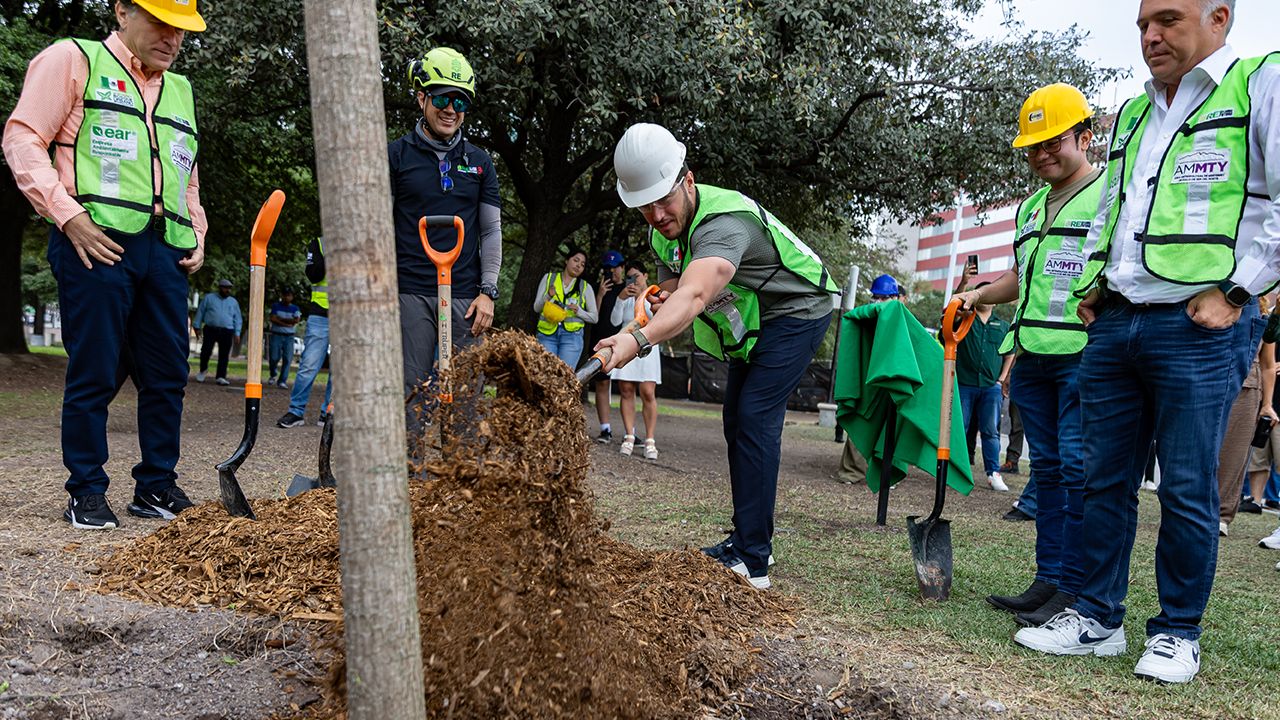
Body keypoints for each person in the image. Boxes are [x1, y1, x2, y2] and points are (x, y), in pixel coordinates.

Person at [1013, 0, 1280, 684]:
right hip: (1118, 321)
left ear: (1219, 18)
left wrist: (1240, 292)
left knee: (1187, 487)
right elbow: (1118, 204)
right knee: (1102, 479)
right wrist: (1097, 285)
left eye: (1166, 19)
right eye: (1141, 25)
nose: (1150, 36)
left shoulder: (1260, 84)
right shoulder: (1133, 112)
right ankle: (1098, 618)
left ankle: (1176, 633)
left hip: (1197, 326)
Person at [600, 123, 839, 590]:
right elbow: (674, 286)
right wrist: (647, 307)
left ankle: (755, 561)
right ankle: (745, 540)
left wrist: (636, 342)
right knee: (736, 418)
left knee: (754, 417)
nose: (656, 213)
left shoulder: (724, 224)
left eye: (663, 199)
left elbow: (692, 296)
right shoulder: (663, 233)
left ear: (687, 182)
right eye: (643, 205)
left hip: (799, 309)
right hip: (758, 318)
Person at [3, 0, 207, 528]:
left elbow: (185, 172)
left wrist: (197, 230)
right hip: (94, 240)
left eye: (181, 29)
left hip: (165, 248)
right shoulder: (74, 60)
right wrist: (67, 216)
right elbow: (23, 138)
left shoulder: (181, 89)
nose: (171, 37)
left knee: (168, 374)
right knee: (93, 371)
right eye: (161, 22)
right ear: (121, 11)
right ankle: (87, 489)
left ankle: (156, 487)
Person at [953, 83, 1105, 628]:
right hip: (1033, 356)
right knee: (1047, 472)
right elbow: (1023, 277)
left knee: (1075, 471)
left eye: (1053, 142)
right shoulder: (1033, 205)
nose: (1041, 155)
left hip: (1084, 356)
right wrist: (976, 294)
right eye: (1032, 147)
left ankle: (1074, 589)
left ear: (1085, 137)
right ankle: (1049, 580)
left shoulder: (1110, 195)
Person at [393, 47, 500, 422]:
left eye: (459, 100)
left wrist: (487, 292)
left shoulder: (481, 162)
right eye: (441, 98)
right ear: (421, 97)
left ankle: (461, 478)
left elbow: (490, 230)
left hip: (466, 299)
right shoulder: (396, 157)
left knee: (466, 398)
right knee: (414, 396)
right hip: (410, 293)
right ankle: (415, 480)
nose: (451, 108)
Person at [1216, 302, 1275, 536]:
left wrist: (1267, 404)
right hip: (1210, 375)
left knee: (1234, 452)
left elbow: (1268, 365)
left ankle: (1221, 515)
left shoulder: (1262, 315)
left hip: (1248, 384)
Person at [836, 274, 901, 483]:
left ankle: (885, 474)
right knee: (860, 421)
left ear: (895, 298)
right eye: (876, 297)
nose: (880, 302)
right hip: (867, 381)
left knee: (889, 429)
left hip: (890, 382)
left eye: (885, 298)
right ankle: (852, 472)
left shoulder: (902, 319)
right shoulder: (864, 316)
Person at [952, 280, 1011, 492]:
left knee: (990, 431)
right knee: (960, 428)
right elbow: (953, 306)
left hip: (990, 387)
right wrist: (964, 282)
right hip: (965, 384)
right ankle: (954, 471)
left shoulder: (1003, 326)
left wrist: (1001, 379)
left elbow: (1010, 353)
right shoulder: (964, 319)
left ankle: (993, 473)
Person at [277, 238, 334, 428]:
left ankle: (328, 413)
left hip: (349, 314)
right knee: (309, 366)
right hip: (321, 314)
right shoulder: (319, 243)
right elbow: (314, 275)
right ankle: (296, 411)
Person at [610, 261, 663, 459]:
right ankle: (629, 435)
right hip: (626, 344)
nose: (633, 281)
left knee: (648, 392)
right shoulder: (624, 297)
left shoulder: (653, 295)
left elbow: (657, 319)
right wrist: (621, 298)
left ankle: (650, 440)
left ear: (645, 276)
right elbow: (615, 321)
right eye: (629, 277)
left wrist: (643, 296)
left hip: (648, 344)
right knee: (626, 390)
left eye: (637, 276)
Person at [533, 247, 599, 367]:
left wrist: (579, 311)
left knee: (565, 377)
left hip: (572, 337)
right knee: (546, 374)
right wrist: (547, 295)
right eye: (576, 260)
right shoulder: (548, 278)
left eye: (582, 264)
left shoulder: (585, 287)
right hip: (547, 334)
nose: (578, 265)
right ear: (566, 260)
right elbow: (536, 308)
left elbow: (594, 318)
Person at [591, 250, 627, 443]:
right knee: (602, 384)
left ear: (622, 267)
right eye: (607, 269)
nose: (612, 272)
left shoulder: (629, 288)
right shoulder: (598, 288)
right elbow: (593, 318)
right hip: (600, 341)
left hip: (623, 342)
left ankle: (630, 432)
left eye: (615, 267)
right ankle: (605, 429)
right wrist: (600, 294)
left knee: (626, 386)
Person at [193, 279, 243, 386]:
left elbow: (237, 318)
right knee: (205, 351)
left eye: (229, 288)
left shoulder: (233, 302)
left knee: (224, 354)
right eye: (225, 288)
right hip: (211, 329)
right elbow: (200, 312)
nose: (227, 290)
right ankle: (203, 369)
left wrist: (237, 332)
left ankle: (221, 376)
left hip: (227, 330)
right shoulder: (209, 298)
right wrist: (197, 326)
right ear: (220, 287)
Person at [267, 288, 301, 388]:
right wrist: (287, 323)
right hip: (276, 334)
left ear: (292, 297)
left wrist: (280, 320)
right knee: (273, 357)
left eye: (289, 295)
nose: (287, 297)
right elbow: (273, 319)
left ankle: (282, 381)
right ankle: (273, 374)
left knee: (287, 359)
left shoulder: (295, 308)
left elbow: (296, 320)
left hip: (289, 337)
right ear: (282, 296)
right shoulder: (276, 306)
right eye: (285, 295)